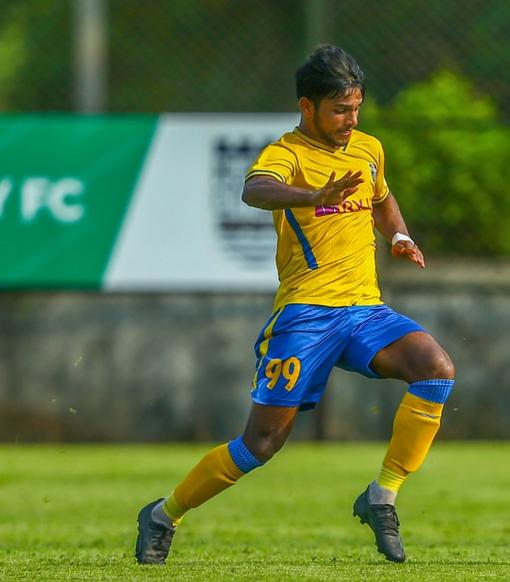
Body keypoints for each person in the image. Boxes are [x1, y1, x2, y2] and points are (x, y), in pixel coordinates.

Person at [134, 45, 455, 565]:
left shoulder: (369, 148)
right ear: (307, 107)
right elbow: (255, 190)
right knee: (259, 446)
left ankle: (382, 496)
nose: (350, 121)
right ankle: (162, 515)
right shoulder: (286, 153)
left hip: (365, 311)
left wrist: (398, 235)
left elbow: (380, 196)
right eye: (338, 110)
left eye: (356, 109)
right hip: (306, 316)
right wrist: (310, 196)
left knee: (435, 370)